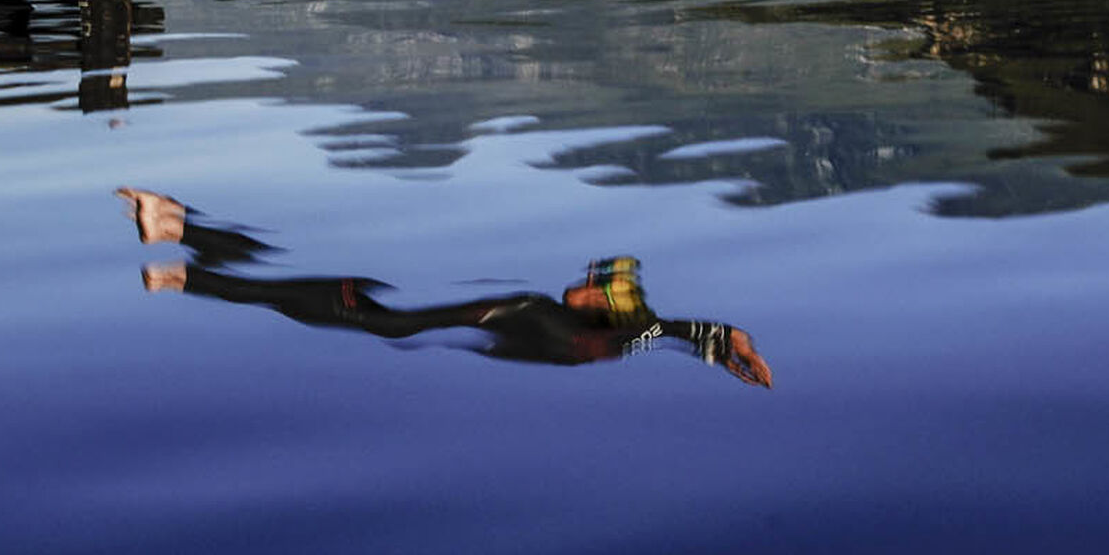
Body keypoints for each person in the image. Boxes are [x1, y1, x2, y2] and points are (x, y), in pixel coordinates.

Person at [120, 187, 773, 387]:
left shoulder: (587, 325)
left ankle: (180, 236)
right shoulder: (598, 333)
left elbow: (674, 329)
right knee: (291, 287)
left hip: (431, 302)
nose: (578, 280)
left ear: (603, 300)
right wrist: (727, 340)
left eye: (589, 282)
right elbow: (677, 331)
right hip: (408, 303)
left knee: (294, 283)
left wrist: (726, 338)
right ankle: (180, 238)